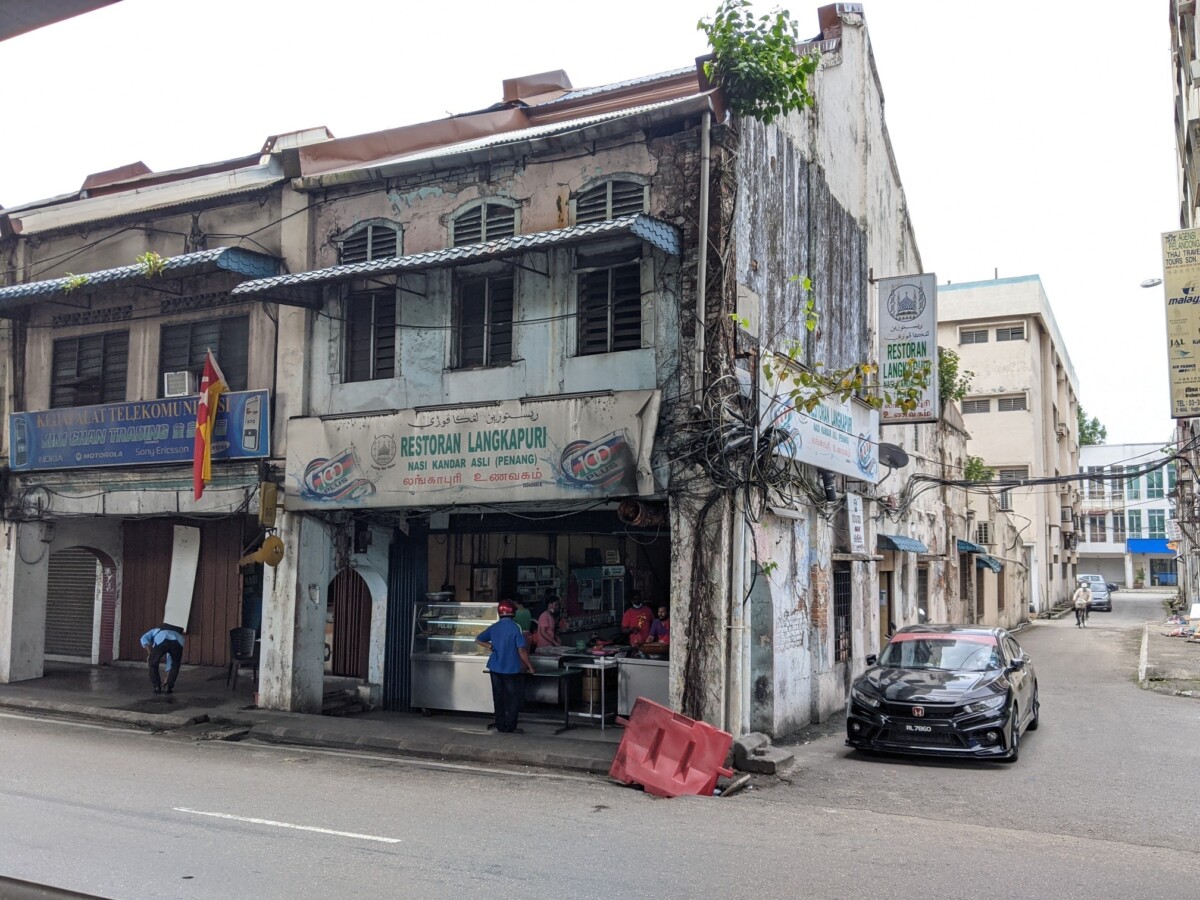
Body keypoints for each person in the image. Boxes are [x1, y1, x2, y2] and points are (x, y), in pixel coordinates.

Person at [476, 599, 534, 733]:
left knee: (498, 696)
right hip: (511, 668)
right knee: (513, 698)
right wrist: (530, 666)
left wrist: (489, 645)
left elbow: (478, 639)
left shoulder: (494, 626)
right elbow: (521, 650)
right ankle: (510, 726)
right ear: (512, 613)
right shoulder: (515, 628)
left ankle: (500, 724)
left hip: (495, 667)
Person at [140, 624, 185, 694]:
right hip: (178, 641)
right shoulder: (178, 635)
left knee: (152, 662)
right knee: (175, 665)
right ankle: (168, 687)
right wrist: (167, 678)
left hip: (162, 638)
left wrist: (150, 653)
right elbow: (170, 661)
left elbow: (143, 639)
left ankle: (157, 686)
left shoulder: (154, 631)